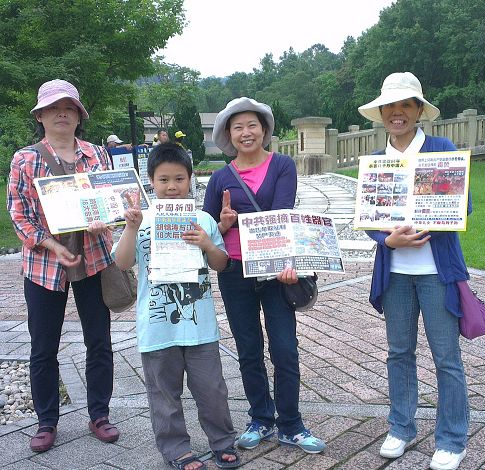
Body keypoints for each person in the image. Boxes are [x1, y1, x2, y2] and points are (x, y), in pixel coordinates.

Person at [358, 72, 471, 470]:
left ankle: (452, 438)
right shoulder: (376, 161)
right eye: (391, 106)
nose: (397, 113)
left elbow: (463, 205)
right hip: (396, 274)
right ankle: (401, 427)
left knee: (446, 356)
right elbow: (370, 217)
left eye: (406, 105)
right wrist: (388, 240)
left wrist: (425, 223)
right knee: (398, 352)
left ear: (419, 110)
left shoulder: (442, 149)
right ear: (382, 113)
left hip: (436, 272)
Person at [203, 97, 326, 454]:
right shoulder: (219, 179)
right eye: (237, 127)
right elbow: (210, 229)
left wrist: (288, 263)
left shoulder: (283, 166)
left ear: (264, 130)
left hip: (277, 274)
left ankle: (291, 423)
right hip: (235, 272)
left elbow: (282, 215)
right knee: (248, 350)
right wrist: (222, 223)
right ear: (228, 133)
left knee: (285, 349)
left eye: (252, 125)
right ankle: (260, 418)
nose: (246, 132)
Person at [7, 79, 119, 452]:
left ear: (78, 115)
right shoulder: (26, 159)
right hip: (44, 264)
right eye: (53, 108)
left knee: (99, 340)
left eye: (69, 107)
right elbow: (19, 214)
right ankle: (46, 422)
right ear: (40, 115)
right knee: (43, 346)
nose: (61, 113)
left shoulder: (96, 154)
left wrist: (109, 217)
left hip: (93, 258)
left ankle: (99, 414)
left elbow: (109, 200)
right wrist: (51, 245)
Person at [113, 142, 240, 470]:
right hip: (157, 327)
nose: (172, 187)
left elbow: (222, 264)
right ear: (151, 181)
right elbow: (123, 262)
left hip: (201, 327)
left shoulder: (203, 220)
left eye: (180, 179)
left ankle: (223, 441)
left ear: (191, 179)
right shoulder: (140, 219)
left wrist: (208, 244)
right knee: (164, 395)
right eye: (164, 179)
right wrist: (130, 226)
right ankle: (175, 448)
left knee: (212, 390)